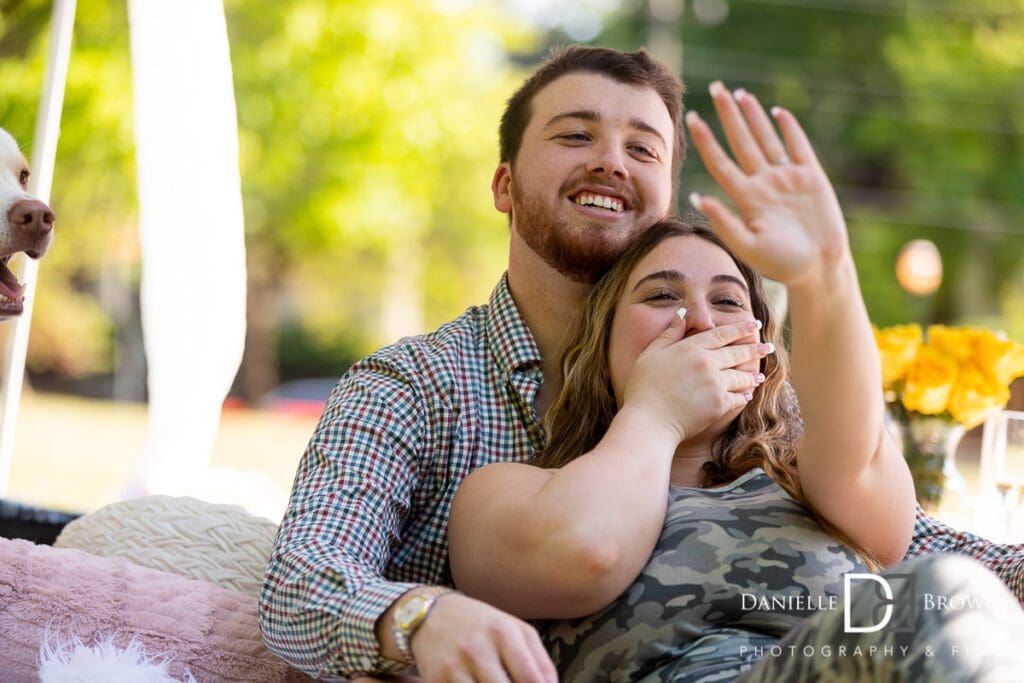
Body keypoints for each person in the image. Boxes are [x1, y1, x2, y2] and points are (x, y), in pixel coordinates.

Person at [260, 45, 1024, 681]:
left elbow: (917, 545)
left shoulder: (766, 428)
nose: (610, 163)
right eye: (574, 136)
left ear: (666, 200)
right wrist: (417, 616)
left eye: (642, 148)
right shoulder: (418, 390)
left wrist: (826, 273)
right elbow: (302, 579)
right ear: (502, 183)